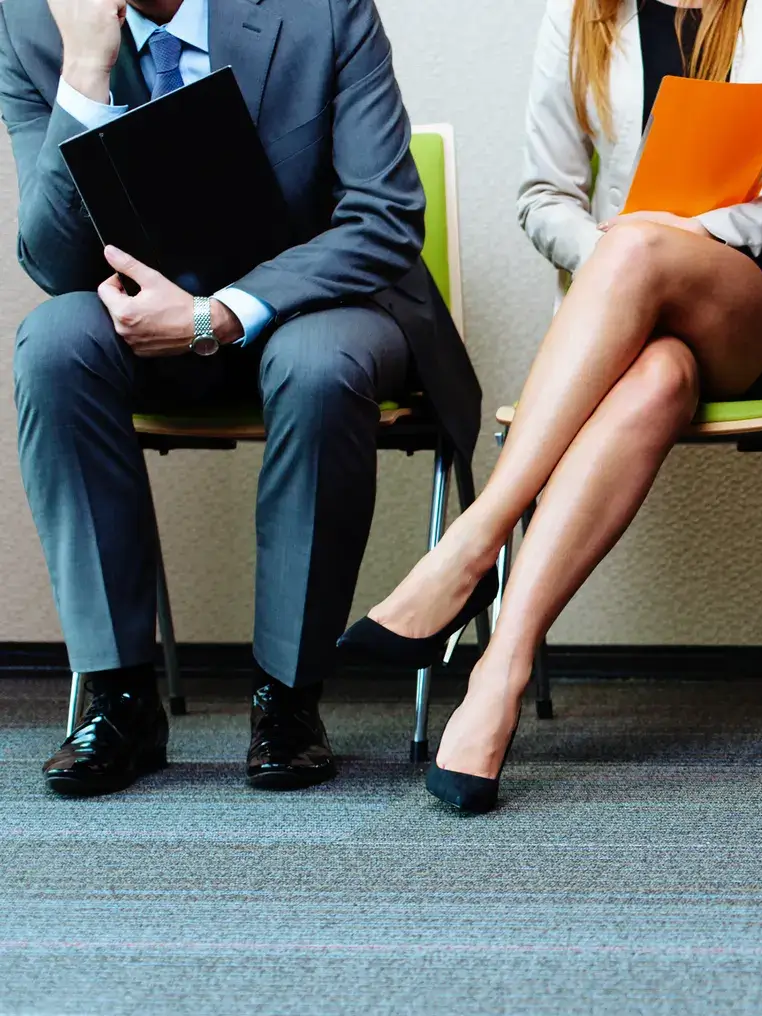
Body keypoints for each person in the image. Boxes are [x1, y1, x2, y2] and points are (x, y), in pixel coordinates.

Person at [338, 0, 762, 814]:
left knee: (642, 246)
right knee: (657, 377)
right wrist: (614, 254)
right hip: (634, 326)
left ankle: (472, 544)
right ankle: (499, 672)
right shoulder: (584, 12)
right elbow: (543, 196)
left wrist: (664, 237)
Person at [1, 0, 481, 796]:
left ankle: (288, 699)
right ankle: (118, 698)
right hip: (142, 323)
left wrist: (219, 313)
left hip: (318, 309)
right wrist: (85, 72)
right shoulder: (32, 25)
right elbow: (54, 260)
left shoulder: (323, 11)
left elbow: (387, 215)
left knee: (316, 362)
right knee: (53, 341)